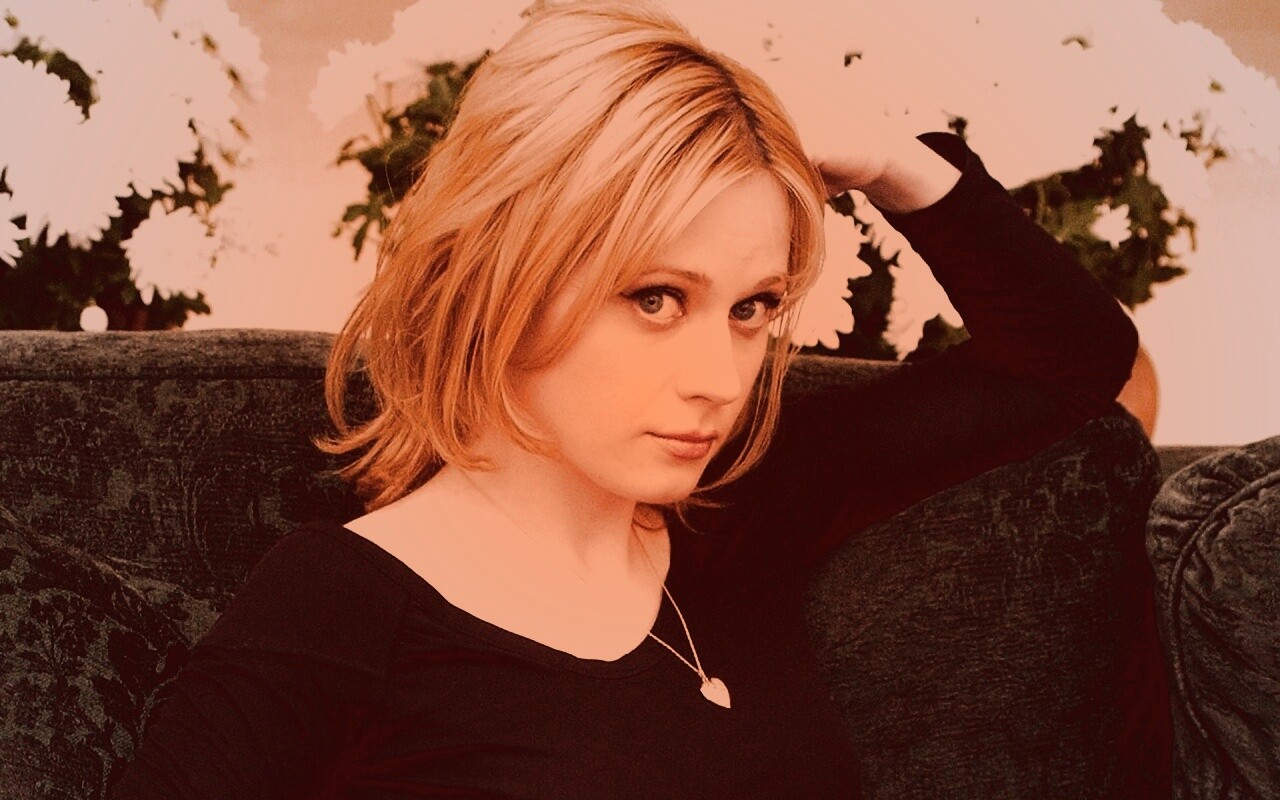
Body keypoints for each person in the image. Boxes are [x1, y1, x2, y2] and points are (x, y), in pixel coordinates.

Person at [108, 0, 1155, 797]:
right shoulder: (338, 606)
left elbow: (1070, 361)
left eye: (751, 307)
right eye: (655, 297)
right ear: (502, 279)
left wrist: (892, 161)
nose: (719, 379)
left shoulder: (737, 504)